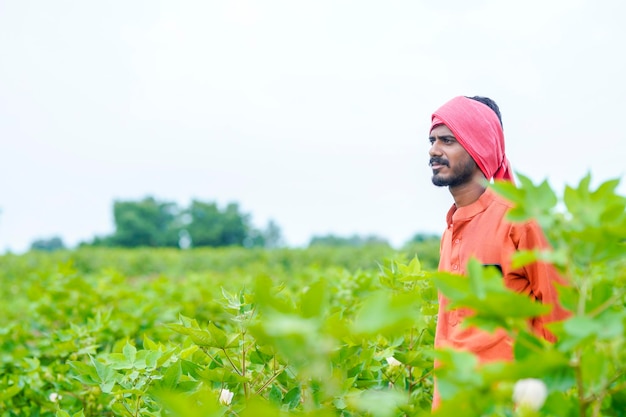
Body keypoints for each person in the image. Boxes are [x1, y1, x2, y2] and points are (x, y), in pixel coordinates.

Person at [427, 95, 569, 408]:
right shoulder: (450, 231)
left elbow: (560, 316)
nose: (434, 150)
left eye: (448, 140)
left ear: (480, 149)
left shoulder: (519, 220)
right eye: (433, 139)